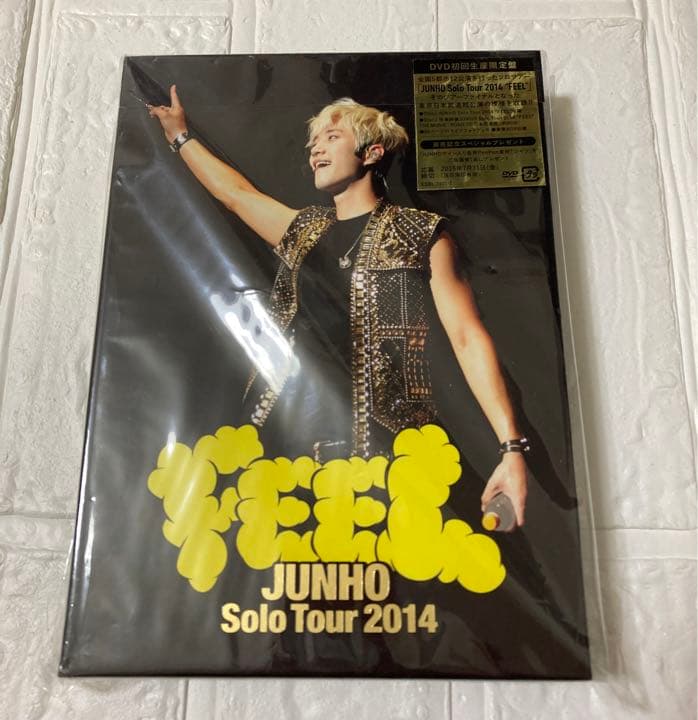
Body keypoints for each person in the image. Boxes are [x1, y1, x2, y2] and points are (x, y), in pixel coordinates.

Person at [148, 87, 529, 527]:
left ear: (372, 152)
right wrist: (179, 135)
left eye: (331, 137)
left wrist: (511, 448)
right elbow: (235, 194)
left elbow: (466, 337)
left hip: (384, 449)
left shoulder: (420, 234)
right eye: (313, 142)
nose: (315, 149)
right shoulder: (305, 230)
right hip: (286, 439)